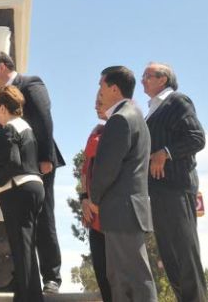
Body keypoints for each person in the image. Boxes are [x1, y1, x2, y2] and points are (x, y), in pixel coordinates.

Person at [0, 51, 65, 294]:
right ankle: (22, 277)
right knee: (20, 229)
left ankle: (51, 276)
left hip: (35, 165)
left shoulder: (30, 84)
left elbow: (44, 119)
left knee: (44, 219)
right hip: (12, 173)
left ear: (2, 66)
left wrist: (45, 157)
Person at [141, 62, 207, 302]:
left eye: (148, 75)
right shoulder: (152, 110)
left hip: (177, 187)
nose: (143, 80)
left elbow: (196, 138)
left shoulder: (177, 101)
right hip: (158, 191)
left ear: (163, 79)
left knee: (184, 255)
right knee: (170, 258)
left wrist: (165, 152)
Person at [90, 66, 157, 302]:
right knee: (122, 279)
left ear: (115, 89)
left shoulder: (120, 119)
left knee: (133, 279)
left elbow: (107, 168)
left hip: (122, 210)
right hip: (126, 211)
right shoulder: (134, 114)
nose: (99, 91)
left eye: (102, 85)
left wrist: (94, 198)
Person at [0, 85, 45, 302]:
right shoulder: (26, 127)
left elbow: (13, 162)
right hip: (33, 188)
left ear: (2, 108)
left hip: (18, 191)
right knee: (26, 249)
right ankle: (30, 296)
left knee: (21, 249)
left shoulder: (9, 128)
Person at [78, 95, 112, 302]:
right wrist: (84, 198)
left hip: (113, 217)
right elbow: (85, 169)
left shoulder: (121, 130)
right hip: (94, 217)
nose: (95, 106)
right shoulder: (97, 132)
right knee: (102, 273)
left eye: (100, 102)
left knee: (120, 279)